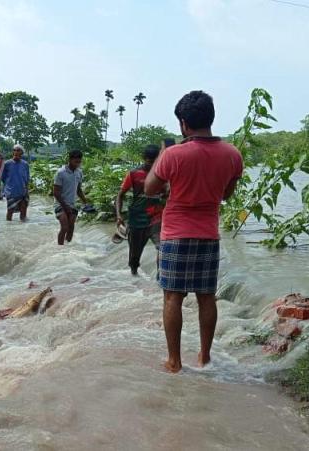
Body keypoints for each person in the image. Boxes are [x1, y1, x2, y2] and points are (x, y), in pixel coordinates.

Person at [145, 90, 243, 373]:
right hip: (208, 234)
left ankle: (174, 361)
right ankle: (204, 358)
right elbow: (226, 194)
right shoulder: (232, 154)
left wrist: (163, 153)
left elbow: (150, 189)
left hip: (175, 234)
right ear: (211, 118)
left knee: (173, 297)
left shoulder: (173, 155)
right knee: (206, 297)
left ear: (183, 124)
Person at [115, 144, 164, 275]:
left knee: (162, 248)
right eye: (149, 162)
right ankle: (134, 278)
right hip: (137, 218)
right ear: (144, 158)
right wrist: (119, 215)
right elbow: (120, 194)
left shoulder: (163, 174)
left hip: (156, 217)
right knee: (134, 257)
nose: (152, 165)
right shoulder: (134, 174)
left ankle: (161, 281)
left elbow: (167, 193)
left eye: (155, 162)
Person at [53, 150, 89, 245]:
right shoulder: (61, 173)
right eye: (76, 161)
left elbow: (78, 190)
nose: (78, 164)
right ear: (70, 159)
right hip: (60, 204)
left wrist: (85, 202)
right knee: (64, 227)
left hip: (72, 204)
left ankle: (67, 250)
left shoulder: (79, 172)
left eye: (79, 162)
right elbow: (56, 193)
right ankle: (59, 249)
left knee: (71, 228)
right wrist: (65, 207)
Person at [1, 144, 30, 221]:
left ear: (21, 153)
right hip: (11, 192)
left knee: (23, 212)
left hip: (22, 191)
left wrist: (26, 190)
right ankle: (9, 229)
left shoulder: (25, 164)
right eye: (14, 150)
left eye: (18, 150)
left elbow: (27, 178)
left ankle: (23, 230)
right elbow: (3, 178)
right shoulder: (7, 164)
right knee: (10, 212)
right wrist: (8, 187)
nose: (16, 152)